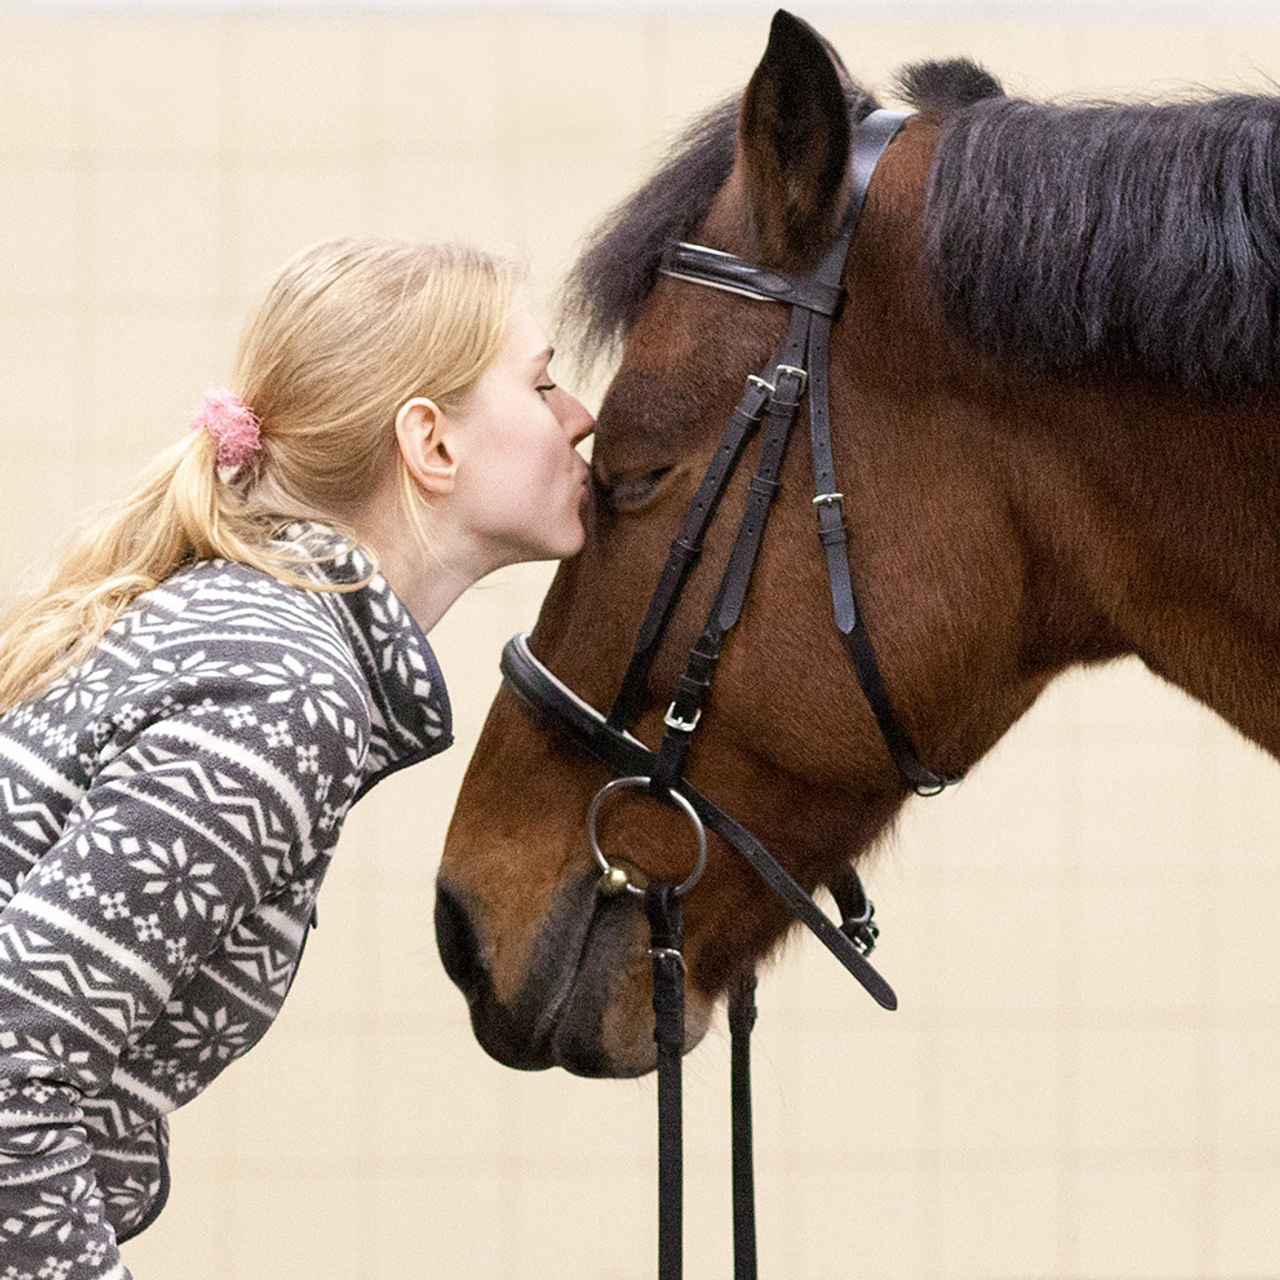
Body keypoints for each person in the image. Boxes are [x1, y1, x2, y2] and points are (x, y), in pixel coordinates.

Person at [0, 237, 593, 1279]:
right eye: (542, 383)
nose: (579, 414)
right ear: (430, 444)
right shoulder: (283, 685)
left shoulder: (245, 630)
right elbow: (10, 1062)